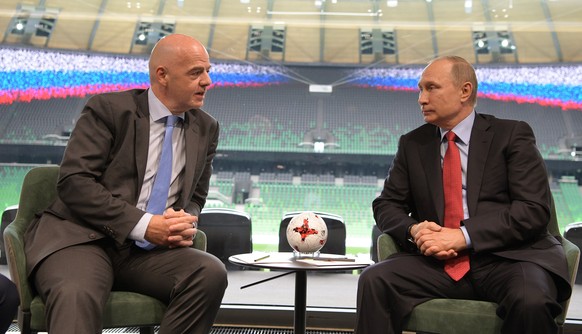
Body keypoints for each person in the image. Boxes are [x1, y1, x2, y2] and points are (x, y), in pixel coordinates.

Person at [24, 34, 227, 333]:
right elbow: (74, 182)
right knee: (76, 294)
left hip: (146, 255)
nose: (208, 81)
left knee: (209, 272)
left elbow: (196, 194)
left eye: (208, 70)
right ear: (163, 75)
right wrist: (144, 225)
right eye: (196, 72)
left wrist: (185, 219)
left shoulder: (206, 127)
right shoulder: (108, 109)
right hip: (81, 239)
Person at [356, 55, 571, 334]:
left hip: (509, 259)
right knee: (374, 280)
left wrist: (463, 236)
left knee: (531, 300)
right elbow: (386, 205)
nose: (421, 98)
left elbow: (532, 210)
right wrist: (415, 230)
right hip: (438, 263)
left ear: (464, 91)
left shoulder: (512, 135)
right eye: (420, 89)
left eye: (431, 88)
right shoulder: (412, 143)